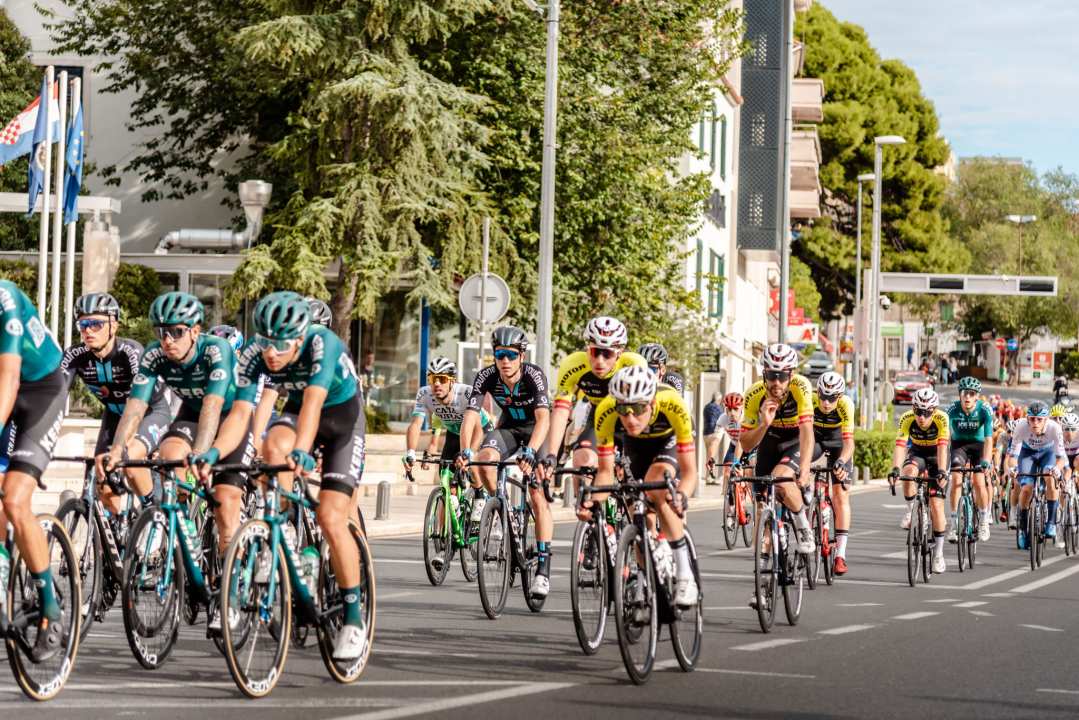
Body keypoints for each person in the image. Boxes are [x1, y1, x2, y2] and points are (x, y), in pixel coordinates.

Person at [204, 292, 368, 659]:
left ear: (300, 336)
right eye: (265, 342)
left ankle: (354, 619)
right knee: (271, 448)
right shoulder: (254, 354)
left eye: (281, 345)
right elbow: (242, 414)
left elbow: (313, 404)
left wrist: (303, 452)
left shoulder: (323, 343)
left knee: (330, 517)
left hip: (341, 419)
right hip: (298, 411)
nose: (271, 353)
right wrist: (215, 452)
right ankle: (282, 529)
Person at [98, 291, 256, 633]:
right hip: (192, 412)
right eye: (161, 332)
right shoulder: (155, 354)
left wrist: (202, 454)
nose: (167, 340)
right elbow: (135, 408)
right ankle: (187, 541)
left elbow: (214, 409)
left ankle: (227, 600)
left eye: (177, 332)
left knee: (226, 504)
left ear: (195, 331)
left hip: (229, 417)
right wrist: (117, 449)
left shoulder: (218, 350)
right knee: (169, 461)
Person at [586, 366, 699, 606]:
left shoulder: (673, 404)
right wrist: (594, 502)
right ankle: (646, 583)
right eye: (623, 409)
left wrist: (682, 496)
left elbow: (690, 472)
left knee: (655, 486)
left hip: (666, 441)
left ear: (652, 401)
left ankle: (684, 574)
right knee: (637, 513)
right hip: (635, 445)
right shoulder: (606, 412)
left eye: (637, 409)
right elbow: (606, 472)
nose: (630, 418)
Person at [0, 279, 69, 658]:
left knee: (13, 499)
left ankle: (50, 606)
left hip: (41, 390)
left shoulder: (5, 298)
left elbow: (9, 379)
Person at [456, 327, 552, 597]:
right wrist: (466, 451)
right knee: (484, 462)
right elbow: (471, 418)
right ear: (494, 355)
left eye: (511, 355)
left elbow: (545, 419)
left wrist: (532, 451)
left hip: (536, 430)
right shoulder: (486, 376)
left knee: (536, 492)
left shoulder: (534, 375)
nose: (505, 361)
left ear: (521, 355)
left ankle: (543, 569)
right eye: (500, 354)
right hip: (509, 427)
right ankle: (499, 509)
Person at [62, 293, 171, 514]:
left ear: (114, 326)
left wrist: (122, 448)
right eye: (83, 324)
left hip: (150, 412)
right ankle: (122, 530)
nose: (89, 330)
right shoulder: (75, 355)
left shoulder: (131, 352)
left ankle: (152, 515)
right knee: (101, 482)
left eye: (96, 323)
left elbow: (136, 405)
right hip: (113, 415)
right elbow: (54, 397)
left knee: (129, 459)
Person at [739, 343, 815, 607]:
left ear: (791, 375)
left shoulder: (801, 388)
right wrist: (763, 424)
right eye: (771, 375)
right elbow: (747, 445)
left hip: (796, 442)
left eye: (782, 375)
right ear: (763, 373)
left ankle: (803, 527)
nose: (777, 381)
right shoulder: (753, 395)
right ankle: (761, 588)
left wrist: (804, 467)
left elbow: (807, 432)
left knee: (782, 479)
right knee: (764, 519)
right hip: (769, 443)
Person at [540, 317, 646, 507]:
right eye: (595, 352)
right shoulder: (572, 365)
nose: (599, 360)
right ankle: (589, 523)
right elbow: (561, 412)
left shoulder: (635, 364)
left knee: (634, 496)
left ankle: (637, 532)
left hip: (631, 417)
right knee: (581, 461)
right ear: (588, 348)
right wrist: (551, 456)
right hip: (599, 416)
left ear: (620, 353)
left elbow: (645, 413)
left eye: (607, 354)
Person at [403, 357, 492, 570]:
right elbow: (416, 424)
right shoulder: (425, 394)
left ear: (452, 381)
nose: (437, 384)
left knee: (474, 461)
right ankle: (445, 545)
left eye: (442, 379)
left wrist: (470, 453)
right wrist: (410, 452)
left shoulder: (465, 393)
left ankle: (479, 496)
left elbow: (477, 429)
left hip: (481, 429)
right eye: (433, 379)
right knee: (447, 488)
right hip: (454, 433)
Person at [890, 388, 950, 574]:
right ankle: (911, 512)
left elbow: (942, 449)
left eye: (926, 413)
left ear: (933, 411)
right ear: (913, 409)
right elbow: (900, 447)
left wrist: (941, 471)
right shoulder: (907, 418)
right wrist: (895, 469)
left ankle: (938, 554)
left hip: (938, 455)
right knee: (907, 474)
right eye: (918, 412)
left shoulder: (942, 419)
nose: (922, 417)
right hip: (918, 453)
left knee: (936, 504)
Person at [208, 325, 279, 453]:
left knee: (261, 447)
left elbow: (258, 409)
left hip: (260, 414)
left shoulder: (253, 367)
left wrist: (253, 446)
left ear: (238, 354)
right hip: (230, 414)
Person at [1005, 401, 1065, 550]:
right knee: (1026, 489)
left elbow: (1061, 459)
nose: (1035, 422)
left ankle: (1051, 522)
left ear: (1047, 418)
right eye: (1032, 418)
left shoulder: (1055, 428)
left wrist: (1057, 469)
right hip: (1027, 454)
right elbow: (1013, 457)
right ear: (1027, 418)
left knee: (1050, 478)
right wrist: (1012, 468)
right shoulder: (1021, 427)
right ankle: (1024, 528)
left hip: (1048, 453)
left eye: (1040, 419)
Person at [811, 372, 855, 576]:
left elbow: (849, 443)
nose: (826, 402)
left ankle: (840, 556)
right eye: (823, 397)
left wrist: (841, 461)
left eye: (832, 398)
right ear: (817, 392)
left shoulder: (846, 404)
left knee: (840, 496)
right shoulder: (810, 400)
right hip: (816, 441)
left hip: (839, 444)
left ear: (839, 396)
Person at [945, 377, 995, 544]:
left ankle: (982, 521)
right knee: (956, 478)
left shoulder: (985, 410)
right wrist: (944, 462)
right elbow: (944, 438)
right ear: (959, 394)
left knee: (979, 482)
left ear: (977, 396)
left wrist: (987, 461)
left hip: (979, 446)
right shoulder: (952, 409)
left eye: (971, 393)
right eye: (964, 393)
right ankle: (953, 525)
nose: (967, 397)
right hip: (959, 445)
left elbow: (989, 440)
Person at [716, 393, 744, 490]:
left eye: (736, 409)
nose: (732, 412)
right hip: (734, 446)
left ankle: (755, 501)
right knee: (727, 475)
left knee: (750, 472)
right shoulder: (723, 418)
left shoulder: (747, 417)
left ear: (741, 408)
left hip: (749, 447)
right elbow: (715, 440)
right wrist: (711, 458)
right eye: (729, 409)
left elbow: (742, 441)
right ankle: (728, 504)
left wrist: (736, 460)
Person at [702, 392, 724, 478]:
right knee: (712, 456)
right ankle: (710, 477)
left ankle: (708, 477)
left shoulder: (706, 407)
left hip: (705, 433)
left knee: (708, 455)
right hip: (713, 434)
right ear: (719, 399)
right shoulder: (718, 408)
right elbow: (722, 420)